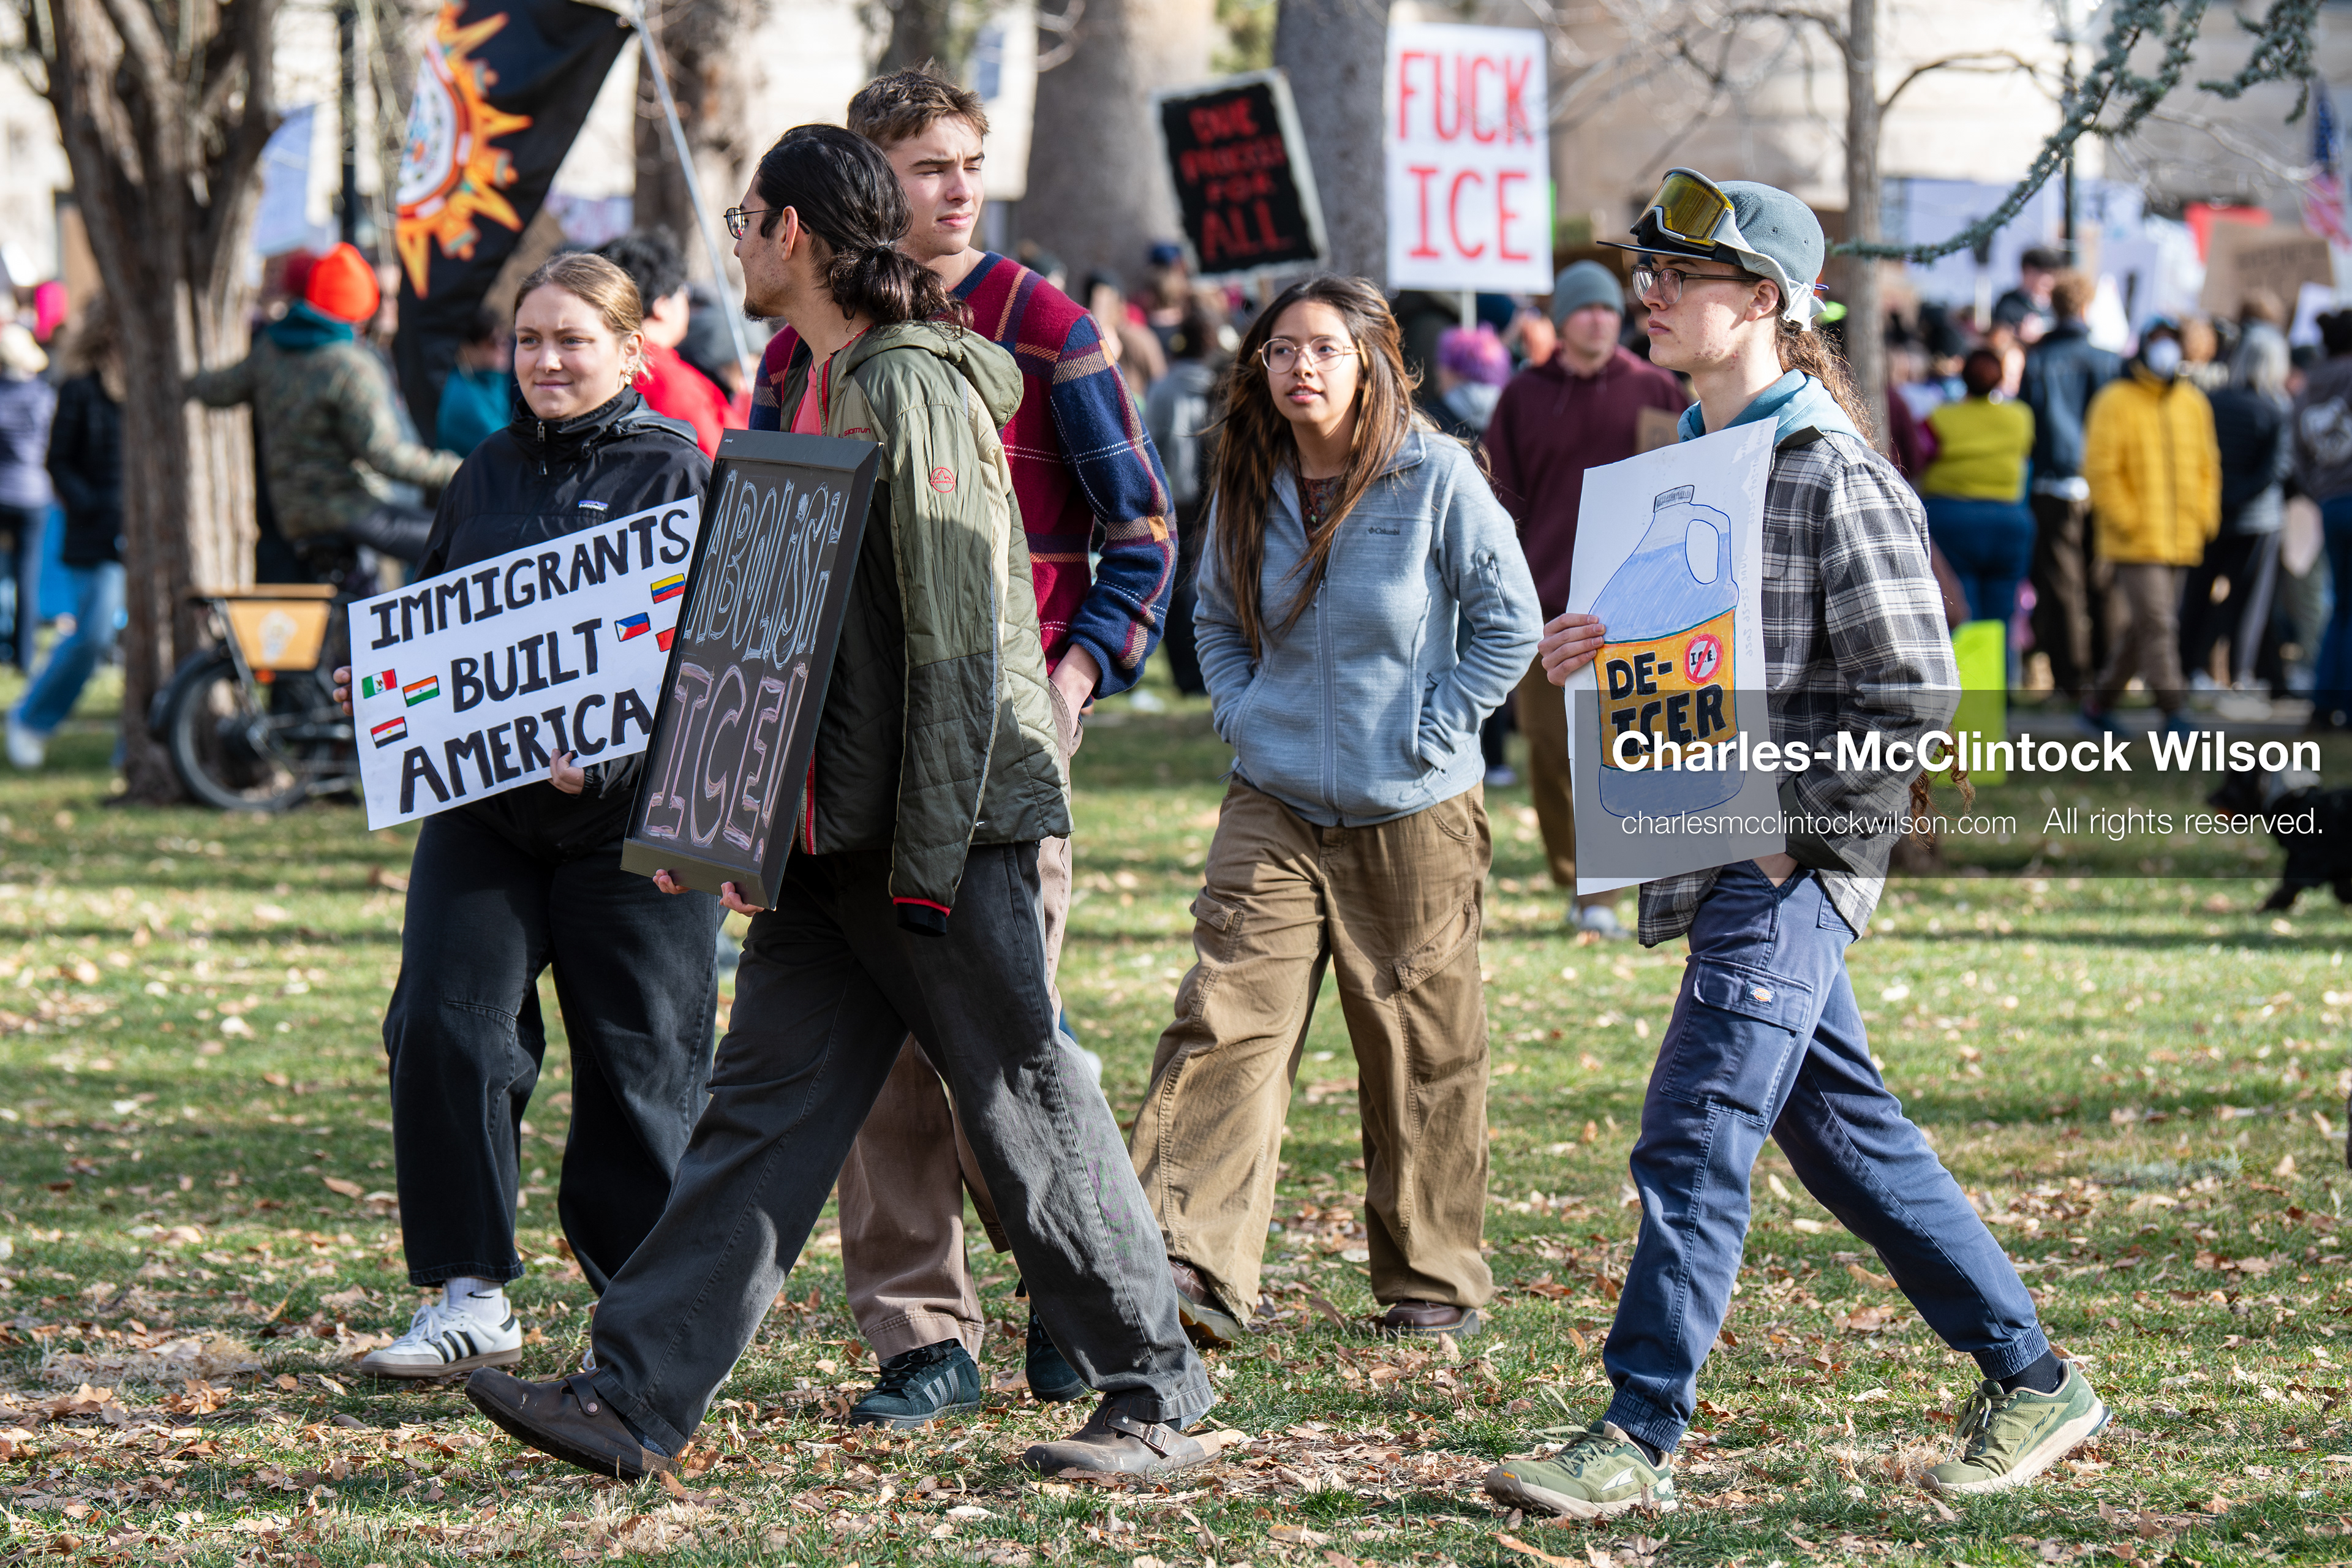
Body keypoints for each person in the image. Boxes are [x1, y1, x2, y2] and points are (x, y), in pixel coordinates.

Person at [465, 123, 1215, 1482]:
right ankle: (633, 1395)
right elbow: (780, 630)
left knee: (1024, 1101)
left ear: (796, 232)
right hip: (830, 847)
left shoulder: (909, 387)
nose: (735, 238)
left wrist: (932, 855)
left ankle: (1156, 1384)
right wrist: (728, 821)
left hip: (936, 835)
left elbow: (961, 641)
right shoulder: (807, 380)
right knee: (755, 1116)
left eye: (749, 217)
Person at [1487, 169, 2107, 1519]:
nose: (1645, 293)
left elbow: (1918, 692)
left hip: (1785, 872)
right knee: (1845, 1135)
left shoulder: (1834, 471)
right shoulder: (1685, 475)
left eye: (1677, 276)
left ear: (1764, 299)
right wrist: (1590, 656)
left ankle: (1637, 1431)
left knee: (1695, 1126)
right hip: (1720, 853)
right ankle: (2034, 1373)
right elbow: (1693, 674)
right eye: (1643, 269)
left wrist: (1793, 839)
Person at [750, 66, 1179, 1428]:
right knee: (873, 1070)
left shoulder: (1041, 326)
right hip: (843, 771)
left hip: (994, 753)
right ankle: (921, 1332)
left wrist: (1071, 669)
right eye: (928, 166)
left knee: (999, 1042)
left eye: (970, 159)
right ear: (861, 193)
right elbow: (773, 554)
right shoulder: (796, 346)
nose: (959, 187)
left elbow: (1142, 534)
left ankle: (1077, 1303)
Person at [328, 252, 723, 1379]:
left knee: (641, 1068)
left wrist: (604, 772)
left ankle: (645, 1321)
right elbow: (440, 631)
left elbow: (708, 668)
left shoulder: (676, 474)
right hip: (485, 818)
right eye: (530, 340)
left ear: (630, 350)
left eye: (573, 340)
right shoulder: (483, 471)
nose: (547, 360)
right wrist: (386, 694)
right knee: (442, 1030)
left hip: (631, 830)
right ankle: (469, 1296)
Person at [1128, 276, 1539, 1349]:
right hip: (1272, 796)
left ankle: (1431, 1280)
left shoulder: (1436, 476)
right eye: (1279, 350)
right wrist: (1244, 712)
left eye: (1324, 348)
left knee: (1419, 1045)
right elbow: (1211, 619)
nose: (1300, 366)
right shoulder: (1248, 479)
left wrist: (1436, 725)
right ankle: (1186, 1263)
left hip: (1412, 808)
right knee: (1225, 1019)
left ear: (1372, 364)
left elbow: (1511, 622)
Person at [1483, 258, 1689, 937]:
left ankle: (1625, 884)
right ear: (1563, 321)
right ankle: (1578, 880)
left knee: (1632, 747)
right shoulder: (1523, 396)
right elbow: (1498, 499)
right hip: (1548, 603)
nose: (1599, 318)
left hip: (1637, 603)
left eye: (1608, 308)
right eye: (1585, 309)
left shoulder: (1657, 389)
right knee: (1549, 744)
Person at [190, 241, 459, 564]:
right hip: (347, 509)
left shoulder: (270, 351)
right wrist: (459, 470)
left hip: (292, 514)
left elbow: (216, 390)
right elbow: (384, 455)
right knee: (457, 542)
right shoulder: (350, 365)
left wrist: (183, 378)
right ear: (358, 313)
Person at [2079, 319, 2220, 736]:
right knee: (2159, 623)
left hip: (2181, 537)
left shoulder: (2193, 402)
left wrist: (2204, 517)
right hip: (2135, 541)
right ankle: (2173, 709)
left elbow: (2207, 466)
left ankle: (2098, 703)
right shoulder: (2115, 400)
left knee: (2146, 628)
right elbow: (2102, 470)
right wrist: (2129, 521)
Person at [6, 302, 121, 771]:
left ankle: (139, 743)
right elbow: (59, 460)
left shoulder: (148, 389)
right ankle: (32, 717)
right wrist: (93, 505)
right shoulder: (80, 389)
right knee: (92, 635)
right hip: (95, 535)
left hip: (143, 534)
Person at [2020, 269, 2120, 699]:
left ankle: (2071, 678)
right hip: (2101, 483)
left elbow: (2029, 422)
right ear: (2085, 307)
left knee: (2061, 585)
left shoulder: (2038, 361)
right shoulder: (2110, 361)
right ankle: (2107, 671)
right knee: (2105, 582)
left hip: (2052, 482)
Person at [2184, 326, 2290, 690]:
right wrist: (2242, 494)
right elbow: (2277, 469)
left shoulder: (2212, 401)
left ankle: (2190, 669)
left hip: (2212, 514)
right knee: (2249, 604)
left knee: (2197, 594)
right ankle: (2241, 673)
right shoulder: (2277, 409)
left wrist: (2222, 495)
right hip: (2257, 520)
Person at [1919, 347, 2037, 638]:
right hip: (2008, 521)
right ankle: (2002, 680)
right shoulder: (2020, 416)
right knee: (2002, 621)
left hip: (1951, 521)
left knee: (1962, 613)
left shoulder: (1939, 417)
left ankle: (1967, 681)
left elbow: (1920, 456)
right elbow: (2025, 453)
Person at [595, 229, 736, 458]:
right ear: (662, 304)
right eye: (684, 291)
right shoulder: (667, 380)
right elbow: (716, 460)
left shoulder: (594, 363)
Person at [1148, 300, 1223, 697]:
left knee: (1178, 586)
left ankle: (1185, 674)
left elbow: (1151, 442)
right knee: (1207, 581)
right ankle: (1208, 669)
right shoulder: (1222, 387)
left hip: (1176, 499)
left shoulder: (1164, 389)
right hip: (1214, 498)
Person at [2292, 309, 2352, 729]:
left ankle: (2323, 700)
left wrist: (2318, 487)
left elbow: (2296, 451)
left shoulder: (2309, 385)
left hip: (2329, 503)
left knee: (2342, 606)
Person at [0, 323, 53, 674]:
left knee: (5, 574)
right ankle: (25, 653)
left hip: (5, 494)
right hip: (34, 495)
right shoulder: (43, 396)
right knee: (27, 575)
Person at [434, 306, 513, 457]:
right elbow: (504, 450)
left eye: (506, 338)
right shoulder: (461, 396)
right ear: (467, 349)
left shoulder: (493, 380)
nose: (504, 346)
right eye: (493, 342)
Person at [1420, 323, 1512, 441]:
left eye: (1443, 365)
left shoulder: (1427, 421)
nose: (1437, 372)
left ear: (1458, 373)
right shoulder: (1505, 424)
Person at [1992, 245, 2062, 343]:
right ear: (2028, 271)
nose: (2050, 280)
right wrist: (2021, 336)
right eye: (2046, 273)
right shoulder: (2007, 306)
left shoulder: (2055, 304)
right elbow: (1998, 341)